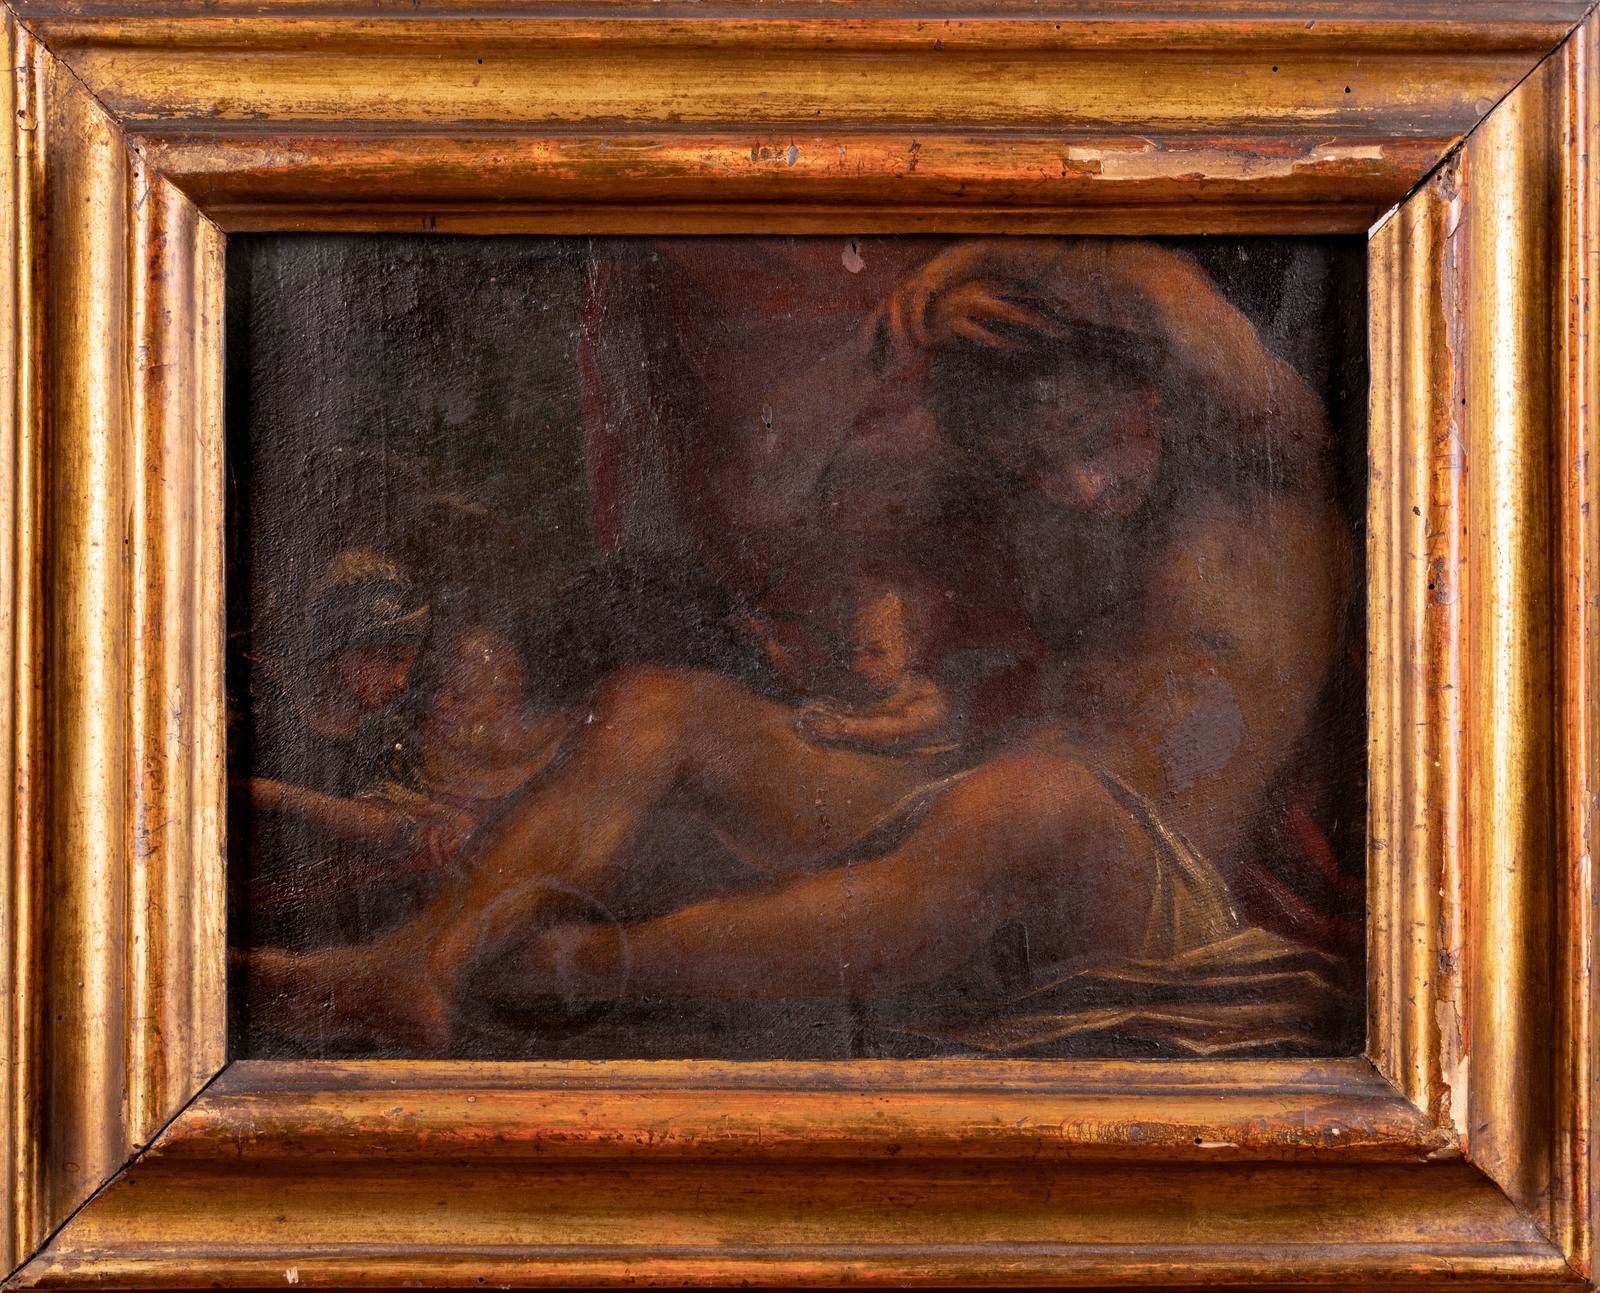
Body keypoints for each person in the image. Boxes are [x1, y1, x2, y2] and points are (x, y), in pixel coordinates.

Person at [244, 239, 1354, 1056]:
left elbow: (1168, 296)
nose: (1078, 486)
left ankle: (556, 971)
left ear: (1145, 381)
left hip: (1148, 885)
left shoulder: (1265, 463)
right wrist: (881, 348)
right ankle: (420, 963)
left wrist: (985, 258)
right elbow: (764, 486)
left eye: (1093, 439)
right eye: (1034, 468)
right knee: (663, 707)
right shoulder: (1021, 472)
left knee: (1030, 803)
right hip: (987, 808)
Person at [794, 580, 955, 755]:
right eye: (853, 651)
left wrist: (842, 727)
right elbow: (800, 686)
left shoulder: (927, 698)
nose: (857, 666)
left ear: (910, 652)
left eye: (875, 653)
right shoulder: (852, 685)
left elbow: (895, 728)